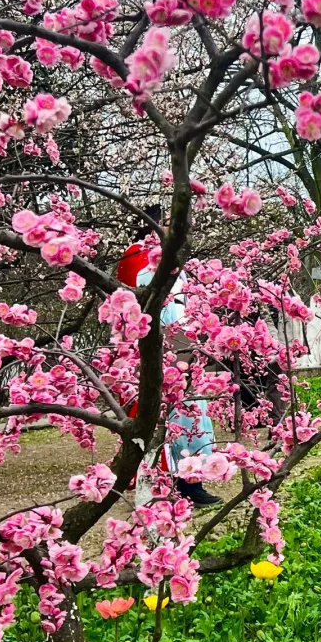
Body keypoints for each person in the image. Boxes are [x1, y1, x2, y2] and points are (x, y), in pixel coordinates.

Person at [117, 208, 220, 507]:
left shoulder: (167, 255)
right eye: (164, 221)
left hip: (181, 339)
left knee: (190, 411)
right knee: (172, 412)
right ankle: (174, 481)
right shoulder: (137, 257)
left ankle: (190, 479)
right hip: (160, 342)